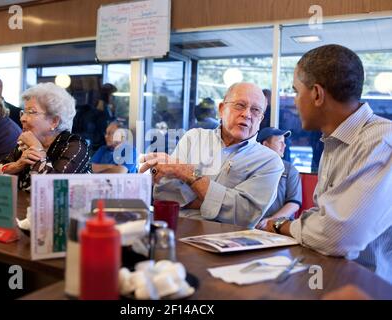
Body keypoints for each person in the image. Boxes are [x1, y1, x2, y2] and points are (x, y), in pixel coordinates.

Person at [260, 44, 392, 283]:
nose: (294, 102)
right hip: (329, 276)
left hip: (368, 289)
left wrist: (281, 225)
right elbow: (324, 215)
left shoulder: (381, 142)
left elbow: (338, 235)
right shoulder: (333, 142)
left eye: (296, 91)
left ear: (317, 94)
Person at [140, 82, 284, 228]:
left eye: (255, 110)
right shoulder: (193, 138)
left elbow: (243, 215)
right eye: (240, 105)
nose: (247, 114)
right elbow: (164, 195)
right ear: (221, 109)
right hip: (178, 231)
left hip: (228, 242)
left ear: (261, 119)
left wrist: (187, 173)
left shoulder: (270, 161)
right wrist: (218, 201)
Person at [0, 82, 90, 190]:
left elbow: (56, 189)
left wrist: (37, 148)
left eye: (31, 112)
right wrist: (16, 166)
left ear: (54, 121)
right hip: (24, 206)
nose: (22, 118)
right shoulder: (24, 146)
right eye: (23, 112)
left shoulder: (76, 146)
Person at [255, 127, 302, 230]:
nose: (284, 146)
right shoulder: (251, 167)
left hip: (279, 227)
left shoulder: (290, 170)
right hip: (251, 224)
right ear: (266, 145)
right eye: (280, 142)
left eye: (284, 142)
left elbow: (294, 204)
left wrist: (270, 221)